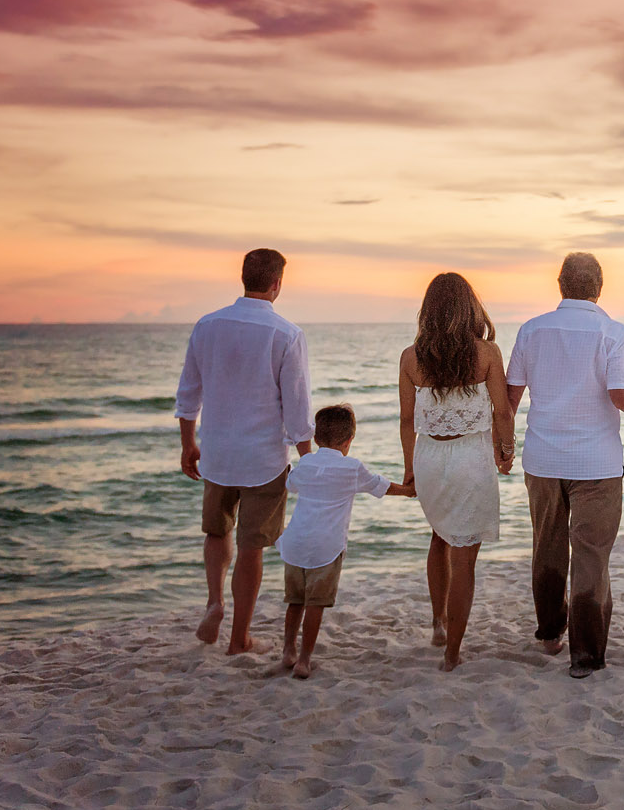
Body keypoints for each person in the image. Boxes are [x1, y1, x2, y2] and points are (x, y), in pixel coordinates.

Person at [506, 252, 624, 678]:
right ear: (598, 287)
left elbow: (511, 398)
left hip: (542, 460)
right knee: (591, 555)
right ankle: (587, 657)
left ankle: (550, 634)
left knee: (548, 547)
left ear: (560, 284)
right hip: (597, 464)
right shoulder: (612, 334)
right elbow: (623, 397)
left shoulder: (531, 330)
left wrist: (504, 446)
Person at [174, 248, 313, 656]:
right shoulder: (286, 333)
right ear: (277, 284)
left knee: (218, 531)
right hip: (264, 459)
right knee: (252, 546)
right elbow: (297, 408)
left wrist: (188, 444)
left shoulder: (207, 325)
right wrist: (311, 458)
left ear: (243, 278)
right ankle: (239, 638)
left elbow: (188, 393)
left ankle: (214, 600)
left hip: (217, 453)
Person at [398, 272, 515, 672]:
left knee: (439, 537)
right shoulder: (487, 354)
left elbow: (406, 419)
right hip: (470, 459)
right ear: (469, 308)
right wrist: (506, 450)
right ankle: (452, 654)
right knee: (465, 558)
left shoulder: (411, 357)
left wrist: (409, 466)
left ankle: (437, 623)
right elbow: (502, 411)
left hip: (430, 458)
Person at [276, 404, 414, 679]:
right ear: (350, 440)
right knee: (315, 603)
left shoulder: (308, 463)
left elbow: (290, 484)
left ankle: (289, 650)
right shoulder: (351, 468)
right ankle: (304, 660)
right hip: (326, 548)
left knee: (295, 600)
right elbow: (380, 486)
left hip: (295, 543)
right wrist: (409, 491)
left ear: (316, 439)